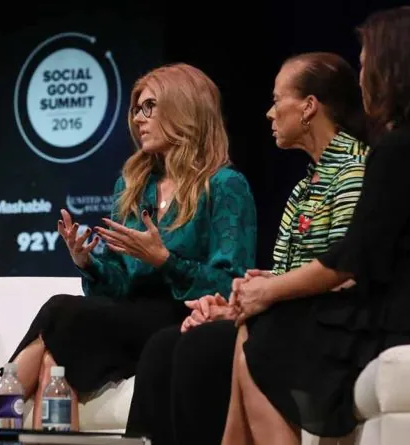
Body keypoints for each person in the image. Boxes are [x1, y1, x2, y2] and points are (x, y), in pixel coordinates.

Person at [0, 63, 258, 430]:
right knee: (53, 359)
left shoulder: (225, 185)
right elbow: (119, 283)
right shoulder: (134, 184)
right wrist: (88, 263)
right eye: (136, 109)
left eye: (149, 106)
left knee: (59, 316)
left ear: (184, 109)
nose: (139, 118)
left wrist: (164, 260)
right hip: (127, 319)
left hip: (183, 321)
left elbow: (229, 282)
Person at [222, 6, 410, 444]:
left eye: (367, 67)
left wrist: (267, 290)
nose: (362, 80)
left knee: (263, 331)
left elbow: (351, 260)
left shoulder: (398, 149)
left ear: (392, 71)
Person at [125, 52, 370, 445]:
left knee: (201, 348)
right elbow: (287, 274)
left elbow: (346, 270)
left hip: (333, 321)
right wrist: (233, 303)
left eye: (277, 100)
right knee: (164, 346)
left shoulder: (354, 173)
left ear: (308, 107)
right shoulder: (304, 187)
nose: (269, 113)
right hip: (291, 313)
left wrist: (259, 297)